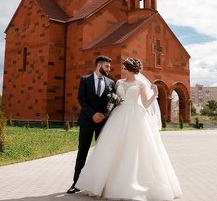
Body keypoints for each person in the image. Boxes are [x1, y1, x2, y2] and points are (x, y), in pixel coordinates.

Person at [76, 57, 182, 200]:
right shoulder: (118, 82)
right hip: (118, 116)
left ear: (131, 70)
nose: (122, 71)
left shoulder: (140, 84)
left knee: (133, 150)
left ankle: (131, 185)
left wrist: (155, 94)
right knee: (111, 148)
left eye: (125, 69)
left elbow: (145, 104)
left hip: (136, 116)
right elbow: (112, 99)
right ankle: (99, 183)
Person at [67, 55, 115, 194]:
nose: (109, 69)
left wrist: (105, 114)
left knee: (102, 153)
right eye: (107, 66)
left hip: (103, 123)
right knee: (82, 152)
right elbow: (81, 99)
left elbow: (112, 102)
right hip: (87, 121)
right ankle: (76, 183)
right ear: (99, 66)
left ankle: (98, 184)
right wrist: (93, 114)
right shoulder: (85, 79)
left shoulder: (111, 82)